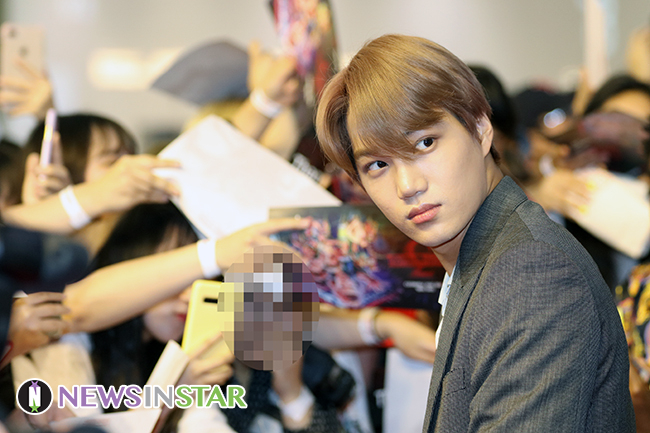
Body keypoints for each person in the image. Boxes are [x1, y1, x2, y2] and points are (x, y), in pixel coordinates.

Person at [315, 34, 634, 432]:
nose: (407, 185)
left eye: (425, 143)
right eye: (378, 165)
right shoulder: (483, 260)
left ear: (481, 129)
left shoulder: (531, 271)